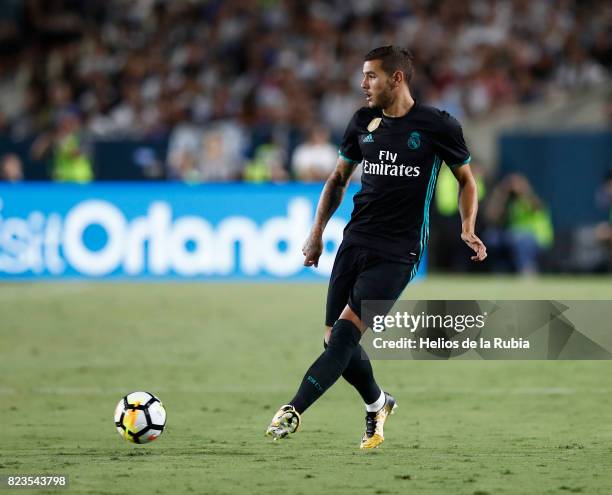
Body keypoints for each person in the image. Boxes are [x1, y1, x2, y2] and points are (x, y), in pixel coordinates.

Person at [265, 46, 487, 449]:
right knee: (333, 339)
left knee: (345, 337)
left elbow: (467, 181)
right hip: (355, 242)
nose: (363, 84)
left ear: (397, 78)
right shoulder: (362, 121)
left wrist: (467, 226)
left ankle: (293, 409)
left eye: (371, 76)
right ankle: (378, 402)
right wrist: (316, 234)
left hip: (399, 252)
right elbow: (336, 180)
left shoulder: (437, 125)